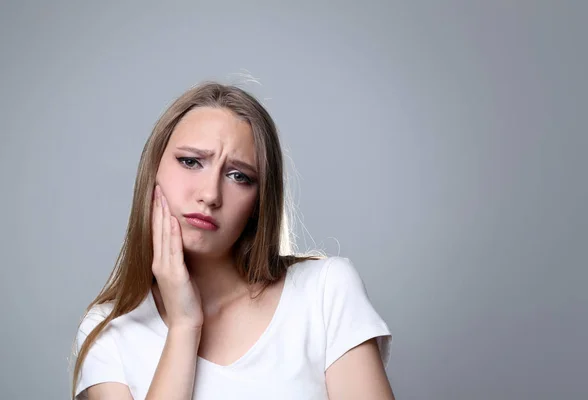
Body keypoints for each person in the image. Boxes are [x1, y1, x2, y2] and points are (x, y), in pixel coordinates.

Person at [69, 82, 394, 399]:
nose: (210, 195)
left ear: (259, 202)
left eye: (239, 176)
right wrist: (184, 327)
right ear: (152, 171)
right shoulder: (107, 330)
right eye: (191, 161)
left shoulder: (325, 292)